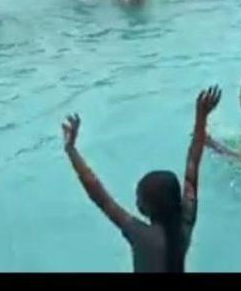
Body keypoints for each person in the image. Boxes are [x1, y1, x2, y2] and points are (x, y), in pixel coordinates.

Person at [62, 86, 221, 272]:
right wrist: (201, 118)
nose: (136, 199)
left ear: (146, 207)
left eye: (139, 196)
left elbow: (98, 195)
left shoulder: (141, 235)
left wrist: (71, 150)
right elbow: (192, 164)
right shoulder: (185, 222)